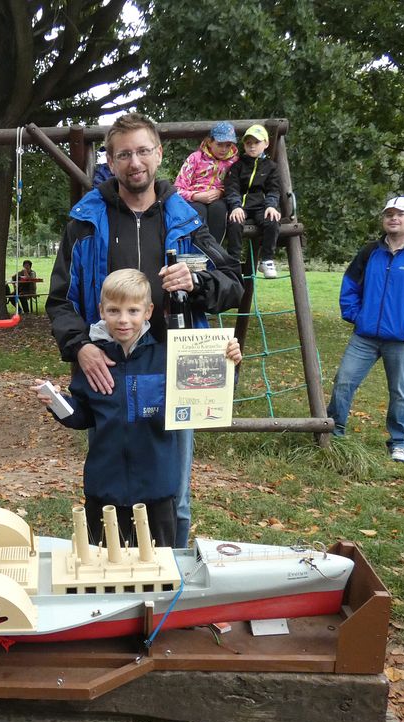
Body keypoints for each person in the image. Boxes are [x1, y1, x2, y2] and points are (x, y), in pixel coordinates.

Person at [47, 112, 244, 548]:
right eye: (123, 155)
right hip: (108, 371)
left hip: (176, 371)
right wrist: (80, 347)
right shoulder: (85, 221)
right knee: (110, 490)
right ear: (110, 161)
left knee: (174, 494)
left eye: (142, 151)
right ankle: (108, 574)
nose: (134, 162)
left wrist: (198, 282)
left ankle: (171, 577)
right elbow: (60, 300)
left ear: (158, 154)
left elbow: (233, 283)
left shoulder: (187, 219)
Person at [35, 269, 241, 546]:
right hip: (105, 488)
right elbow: (83, 415)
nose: (123, 320)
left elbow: (207, 391)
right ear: (102, 311)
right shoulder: (94, 362)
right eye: (114, 310)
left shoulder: (166, 357)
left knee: (159, 562)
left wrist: (229, 363)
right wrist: (57, 404)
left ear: (148, 312)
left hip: (157, 489)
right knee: (103, 562)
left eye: (133, 311)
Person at [326, 196, 404, 463]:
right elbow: (350, 286)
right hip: (365, 336)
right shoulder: (371, 251)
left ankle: (399, 442)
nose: (394, 218)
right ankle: (333, 433)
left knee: (400, 392)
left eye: (400, 214)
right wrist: (356, 316)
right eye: (389, 214)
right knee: (344, 381)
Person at [224, 124, 282, 279]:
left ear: (266, 144)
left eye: (256, 142)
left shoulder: (271, 167)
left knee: (272, 220)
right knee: (234, 222)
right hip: (241, 207)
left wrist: (271, 205)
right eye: (248, 143)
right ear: (244, 145)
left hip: (260, 207)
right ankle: (233, 261)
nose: (252, 146)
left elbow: (273, 189)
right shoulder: (237, 166)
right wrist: (235, 206)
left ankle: (267, 259)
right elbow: (232, 188)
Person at [174, 121, 239, 243]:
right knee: (198, 210)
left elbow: (236, 187)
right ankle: (198, 248)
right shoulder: (195, 158)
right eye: (219, 144)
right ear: (209, 142)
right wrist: (196, 196)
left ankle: (215, 249)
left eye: (228, 145)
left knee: (218, 208)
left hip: (219, 200)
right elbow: (177, 189)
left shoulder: (234, 162)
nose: (224, 149)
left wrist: (221, 192)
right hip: (194, 199)